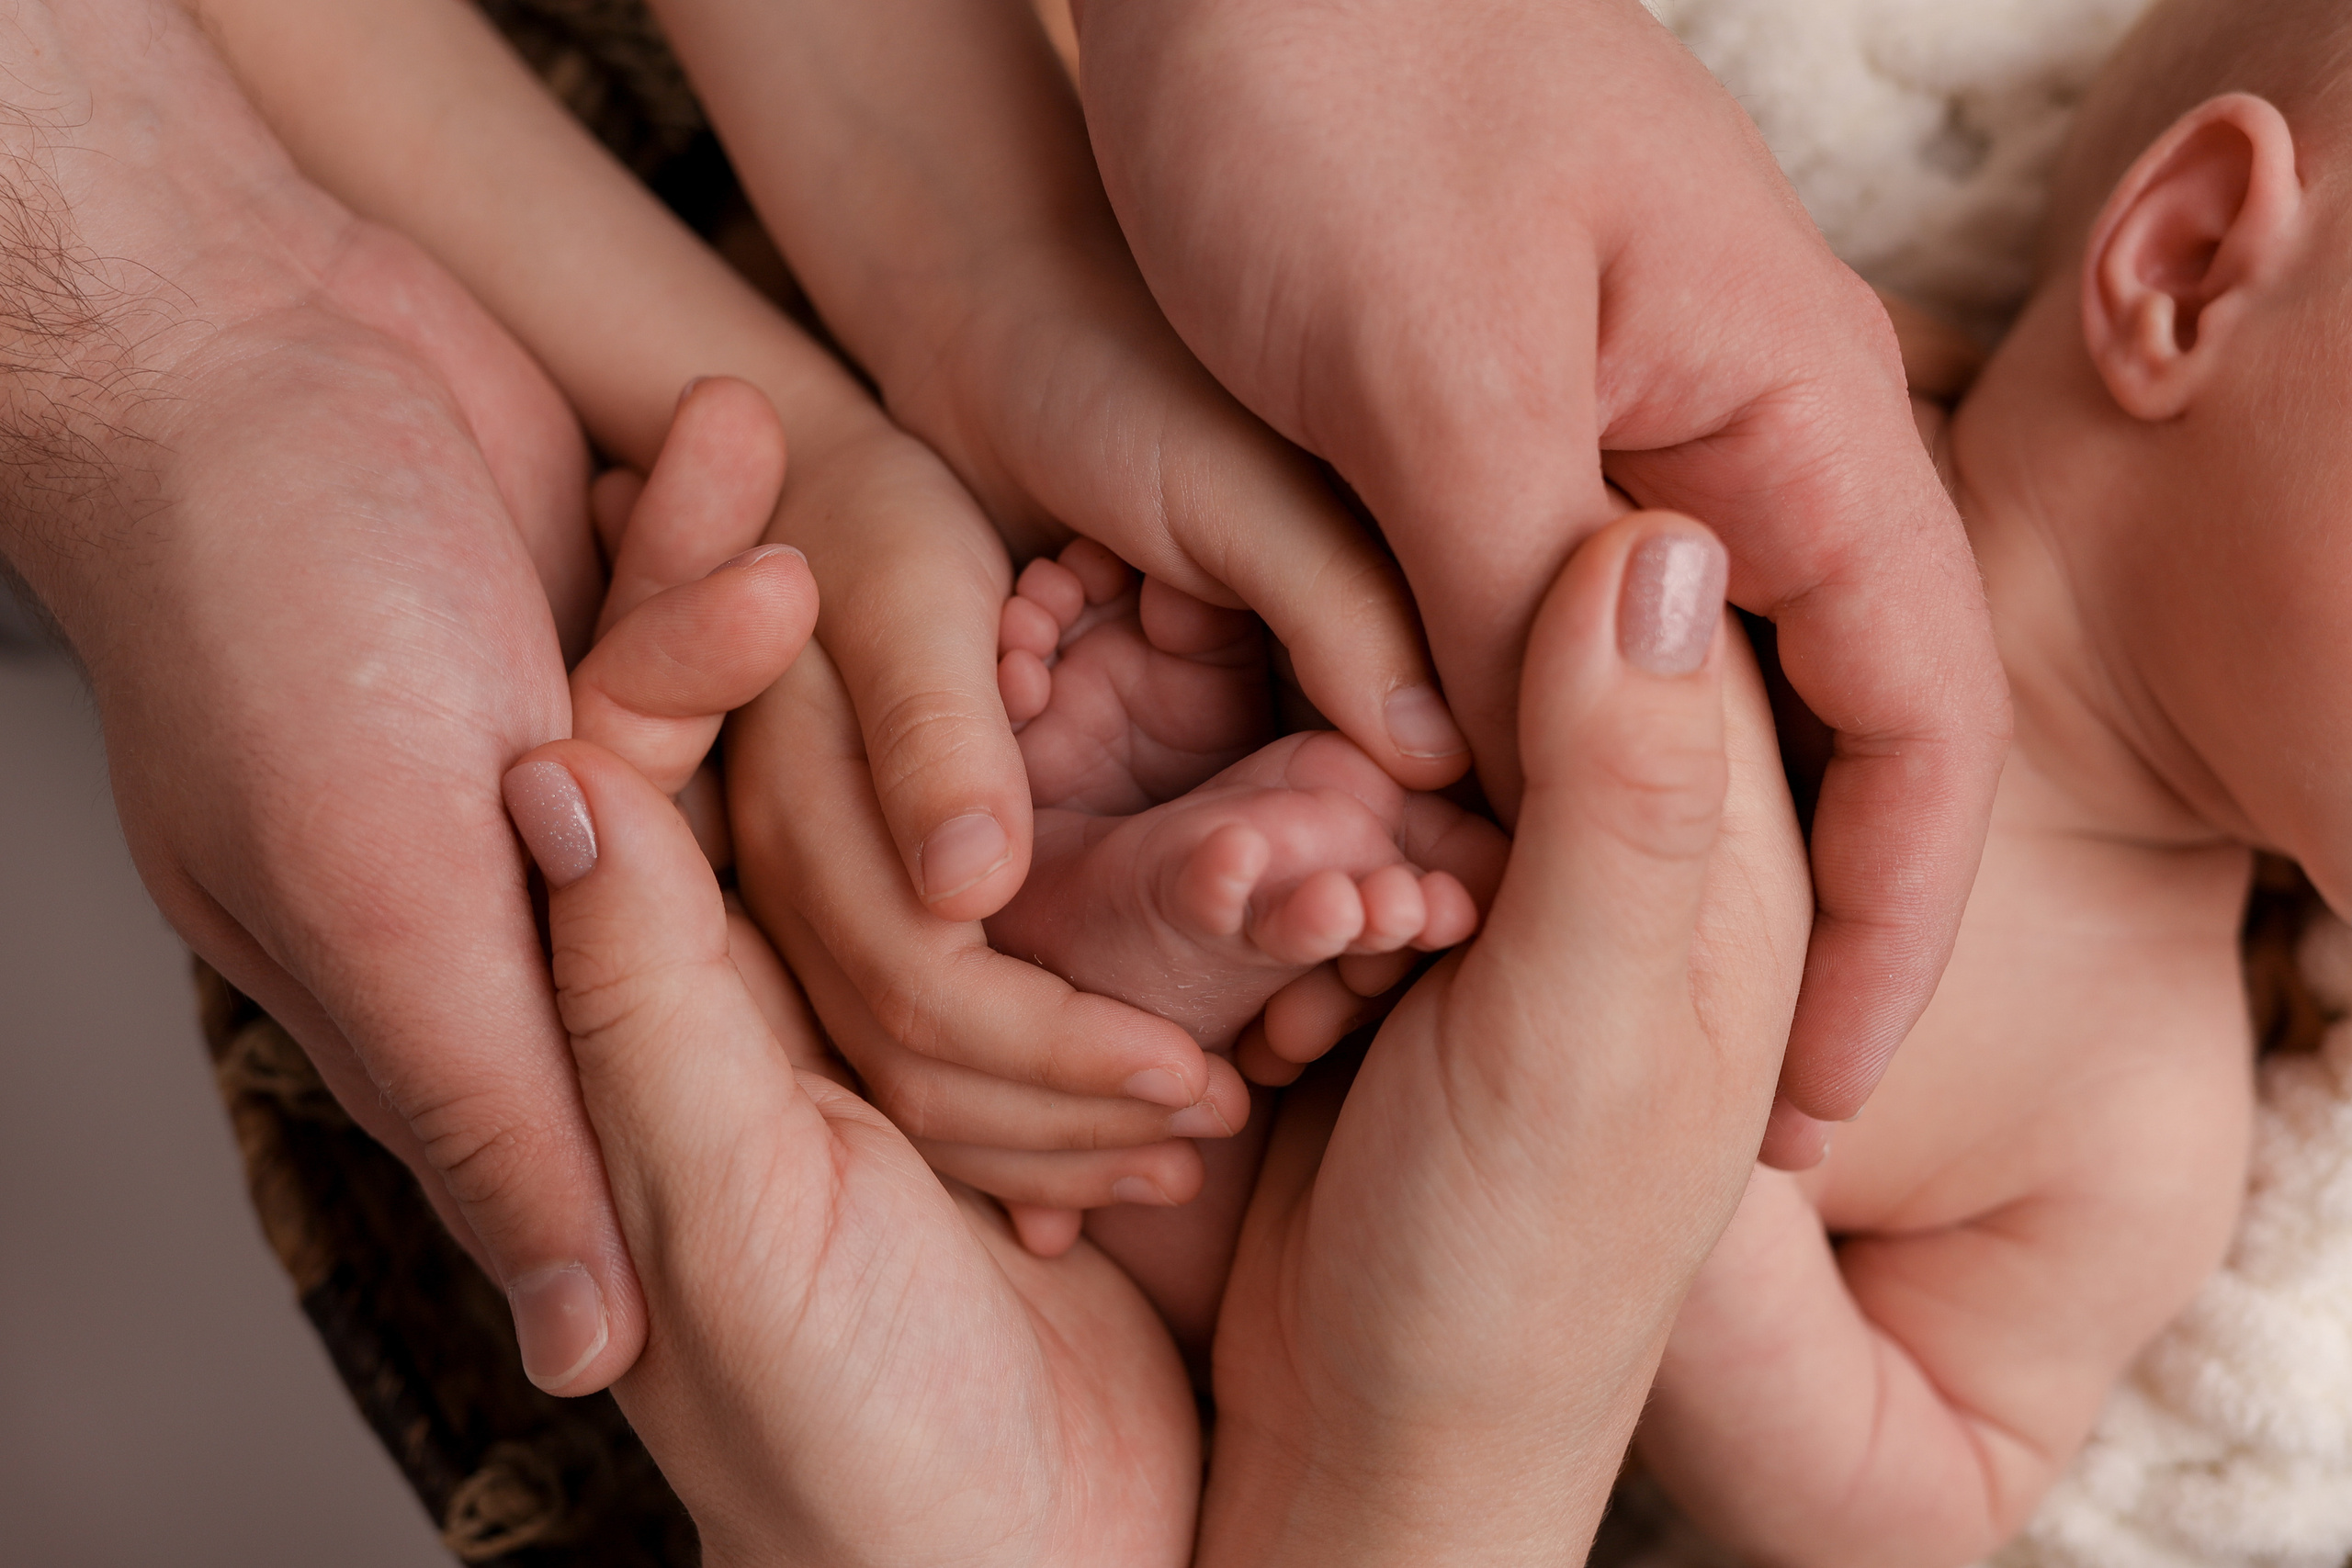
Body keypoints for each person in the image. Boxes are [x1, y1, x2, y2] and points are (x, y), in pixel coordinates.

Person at [645, 0, 2013, 1168]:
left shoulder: (2175, 1089)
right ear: (2185, 268)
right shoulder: (1785, 411)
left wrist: (985, 293)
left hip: (1024, 345)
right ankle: (1157, 870)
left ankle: (1162, 891)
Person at [508, 498, 1808, 1564]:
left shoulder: (2025, 1234)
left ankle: (1126, 924)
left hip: (1179, 1233)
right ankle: (1151, 901)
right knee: (1202, 1084)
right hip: (1333, 1184)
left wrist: (1686, 1236)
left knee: (1132, 1111)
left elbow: (1882, 1493)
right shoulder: (1895, 585)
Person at [1634, 2, 2352, 1560]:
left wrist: (1682, 1208)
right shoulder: (1730, 386)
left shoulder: (2139, 1119)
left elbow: (1926, 1501)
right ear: (2190, 266)